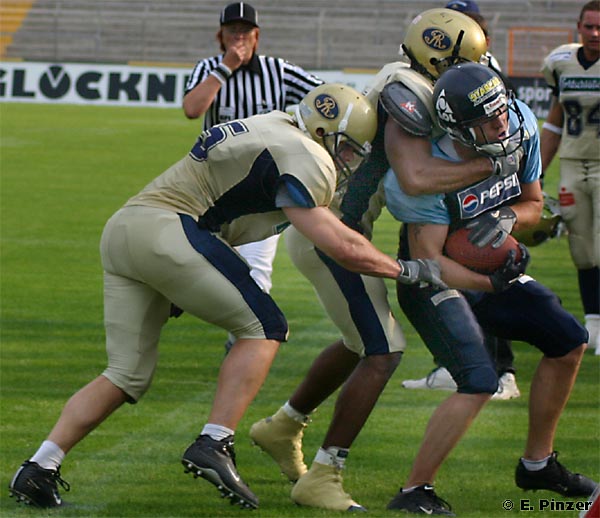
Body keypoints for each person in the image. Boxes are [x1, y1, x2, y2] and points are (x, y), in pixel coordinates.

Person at [8, 83, 447, 511]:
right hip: (169, 228)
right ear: (322, 131)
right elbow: (339, 244)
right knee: (265, 326)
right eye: (347, 149)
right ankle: (214, 441)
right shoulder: (307, 154)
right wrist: (404, 269)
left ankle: (39, 466)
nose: (348, 160)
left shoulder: (273, 124)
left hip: (127, 230)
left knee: (125, 374)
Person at [249, 8, 525, 512]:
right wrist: (489, 165)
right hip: (333, 232)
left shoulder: (414, 78)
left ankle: (284, 425)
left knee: (361, 340)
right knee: (384, 350)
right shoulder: (407, 89)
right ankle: (323, 474)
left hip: (343, 229)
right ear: (439, 57)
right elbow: (416, 177)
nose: (474, 70)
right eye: (466, 60)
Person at [383, 62, 596, 514]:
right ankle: (414, 490)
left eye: (501, 110)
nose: (501, 123)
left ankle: (538, 464)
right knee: (479, 380)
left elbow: (532, 202)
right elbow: (429, 260)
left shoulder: (520, 124)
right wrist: (488, 281)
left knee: (569, 340)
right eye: (487, 118)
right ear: (459, 128)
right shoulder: (429, 174)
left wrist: (508, 218)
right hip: (433, 277)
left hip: (486, 267)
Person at [402, 1, 521, 400]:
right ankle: (451, 365)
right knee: (437, 279)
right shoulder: (434, 75)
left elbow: (506, 127)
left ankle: (503, 371)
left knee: (481, 262)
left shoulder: (485, 75)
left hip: (477, 184)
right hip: (441, 190)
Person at [182, 2, 324, 327]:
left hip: (262, 190)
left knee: (257, 276)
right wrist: (225, 68)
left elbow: (324, 96)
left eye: (245, 32)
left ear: (257, 36)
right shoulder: (207, 68)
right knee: (195, 268)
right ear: (220, 36)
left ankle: (246, 339)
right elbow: (192, 108)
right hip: (211, 189)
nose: (239, 38)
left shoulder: (278, 71)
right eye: (232, 31)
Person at [540, 0, 600, 355]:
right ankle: (593, 321)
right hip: (573, 162)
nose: (595, 33)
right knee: (582, 247)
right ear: (578, 27)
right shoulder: (561, 63)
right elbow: (555, 121)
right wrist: (538, 171)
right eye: (589, 26)